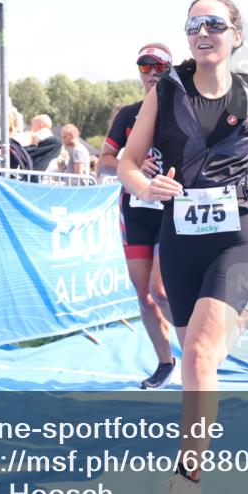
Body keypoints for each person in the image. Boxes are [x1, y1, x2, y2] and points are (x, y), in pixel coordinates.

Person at [118, 0, 248, 494]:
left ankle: (187, 484)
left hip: (236, 236)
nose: (203, 32)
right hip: (179, 235)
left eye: (214, 24)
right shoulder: (167, 91)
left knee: (198, 355)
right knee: (203, 354)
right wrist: (146, 186)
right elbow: (128, 161)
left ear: (236, 35)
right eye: (194, 24)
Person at [98, 44, 179, 389]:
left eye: (159, 67)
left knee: (162, 292)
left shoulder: (182, 112)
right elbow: (103, 163)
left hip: (171, 210)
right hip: (135, 211)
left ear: (170, 71)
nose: (152, 74)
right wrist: (130, 165)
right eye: (145, 67)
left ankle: (201, 349)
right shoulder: (128, 115)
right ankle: (165, 363)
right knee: (145, 296)